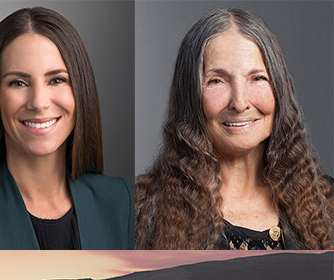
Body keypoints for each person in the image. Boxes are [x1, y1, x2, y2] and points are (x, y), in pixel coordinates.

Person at [0, 7, 133, 250]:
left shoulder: (121, 202)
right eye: (18, 83)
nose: (39, 102)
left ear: (80, 91)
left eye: (57, 80)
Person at [136, 8, 334, 250]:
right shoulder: (139, 212)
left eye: (258, 78)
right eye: (216, 80)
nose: (240, 103)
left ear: (279, 90)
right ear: (191, 97)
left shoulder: (329, 205)